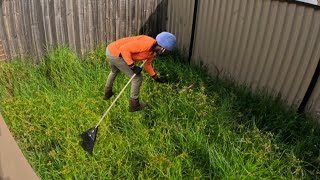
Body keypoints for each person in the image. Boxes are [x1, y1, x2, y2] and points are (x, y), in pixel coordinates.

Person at [104, 32, 176, 112]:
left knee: (114, 71)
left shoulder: (152, 51)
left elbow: (147, 65)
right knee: (137, 78)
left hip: (110, 50)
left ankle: (107, 93)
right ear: (162, 48)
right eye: (166, 51)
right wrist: (132, 66)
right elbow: (124, 49)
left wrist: (156, 78)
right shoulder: (147, 44)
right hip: (116, 54)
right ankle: (134, 105)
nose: (165, 54)